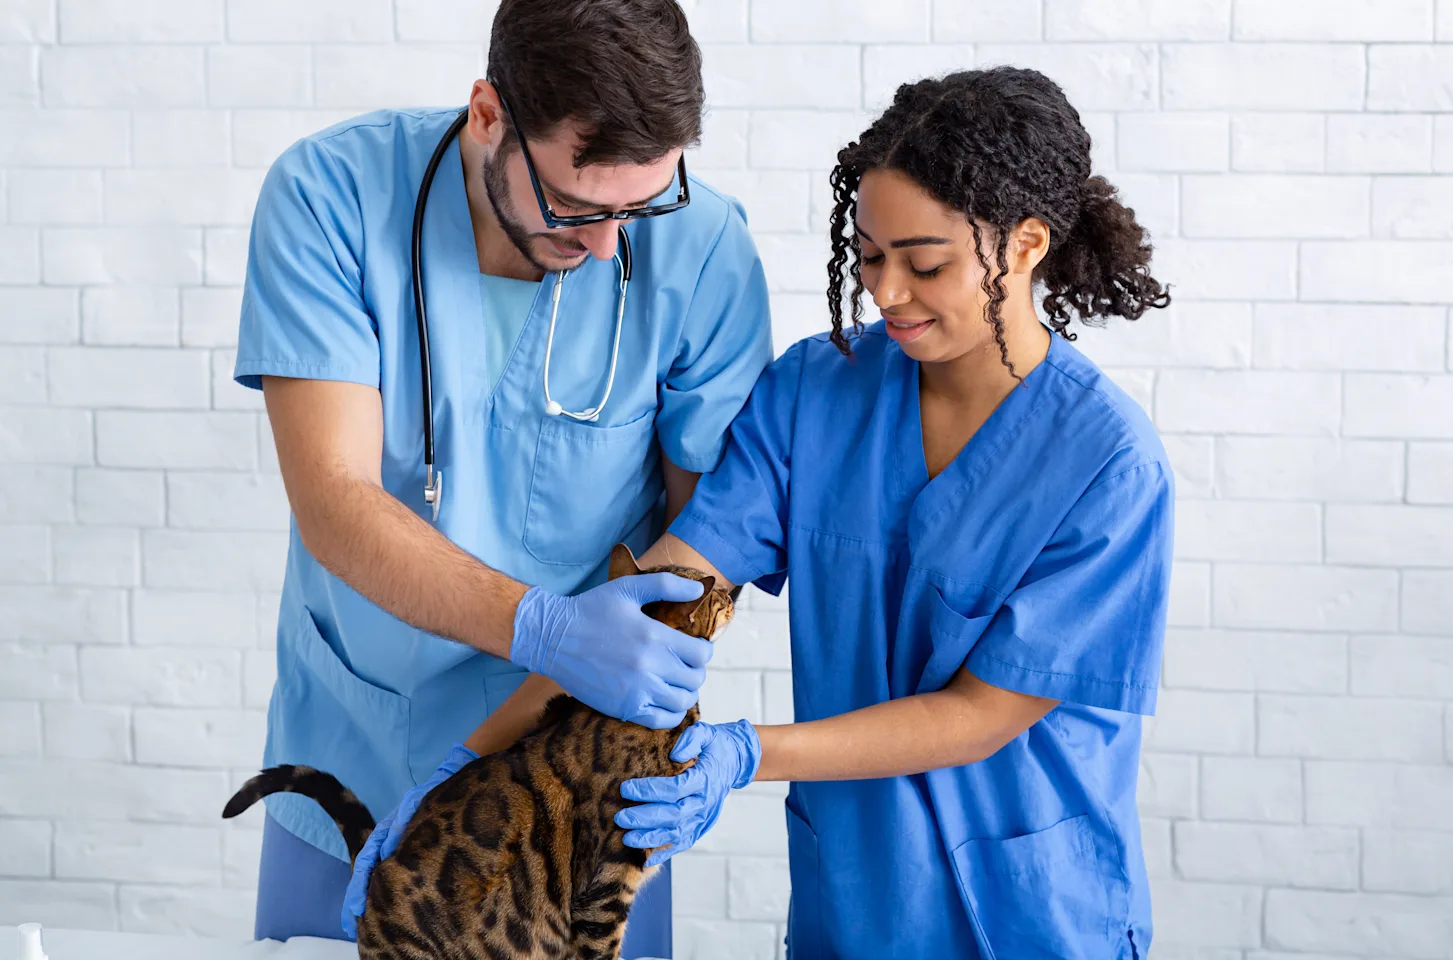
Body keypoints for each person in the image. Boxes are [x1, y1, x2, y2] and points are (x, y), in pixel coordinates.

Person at [353, 65, 1173, 958]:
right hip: (854, 905)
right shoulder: (815, 394)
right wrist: (468, 761)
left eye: (925, 263)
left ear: (1023, 245)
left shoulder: (1107, 466)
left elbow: (981, 713)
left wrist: (746, 752)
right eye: (869, 255)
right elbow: (653, 610)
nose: (887, 292)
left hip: (1029, 915)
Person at [233, 1, 771, 955]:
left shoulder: (704, 250)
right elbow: (335, 498)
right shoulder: (330, 198)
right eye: (576, 204)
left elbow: (706, 541)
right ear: (489, 114)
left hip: (579, 806)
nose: (609, 244)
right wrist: (545, 629)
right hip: (363, 742)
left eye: (639, 207)